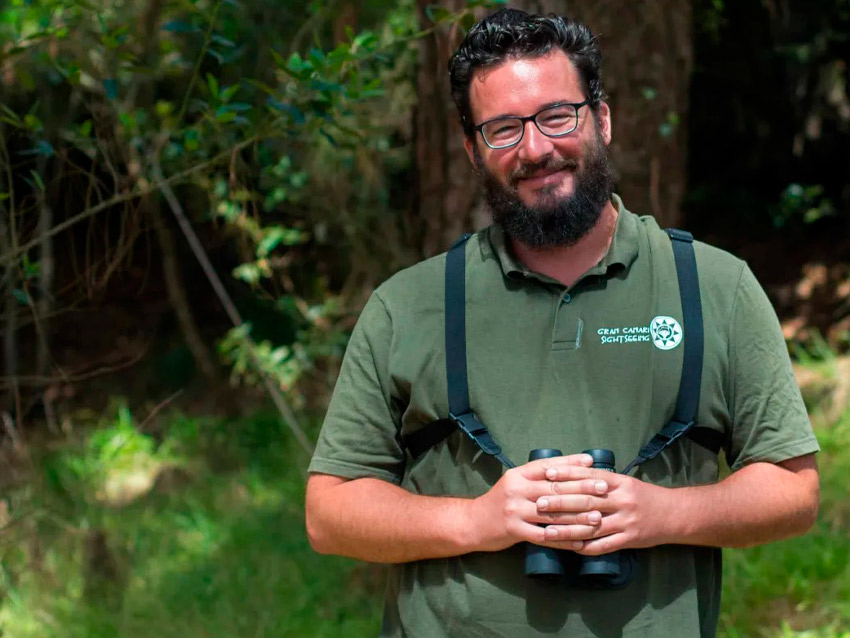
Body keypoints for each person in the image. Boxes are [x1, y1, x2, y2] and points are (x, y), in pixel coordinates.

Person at [305, 8, 820, 638]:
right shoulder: (407, 306)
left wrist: (658, 514)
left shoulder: (714, 287)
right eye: (502, 130)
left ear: (601, 119)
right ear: (472, 150)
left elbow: (793, 494)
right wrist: (483, 520)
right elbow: (329, 513)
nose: (536, 149)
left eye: (557, 116)